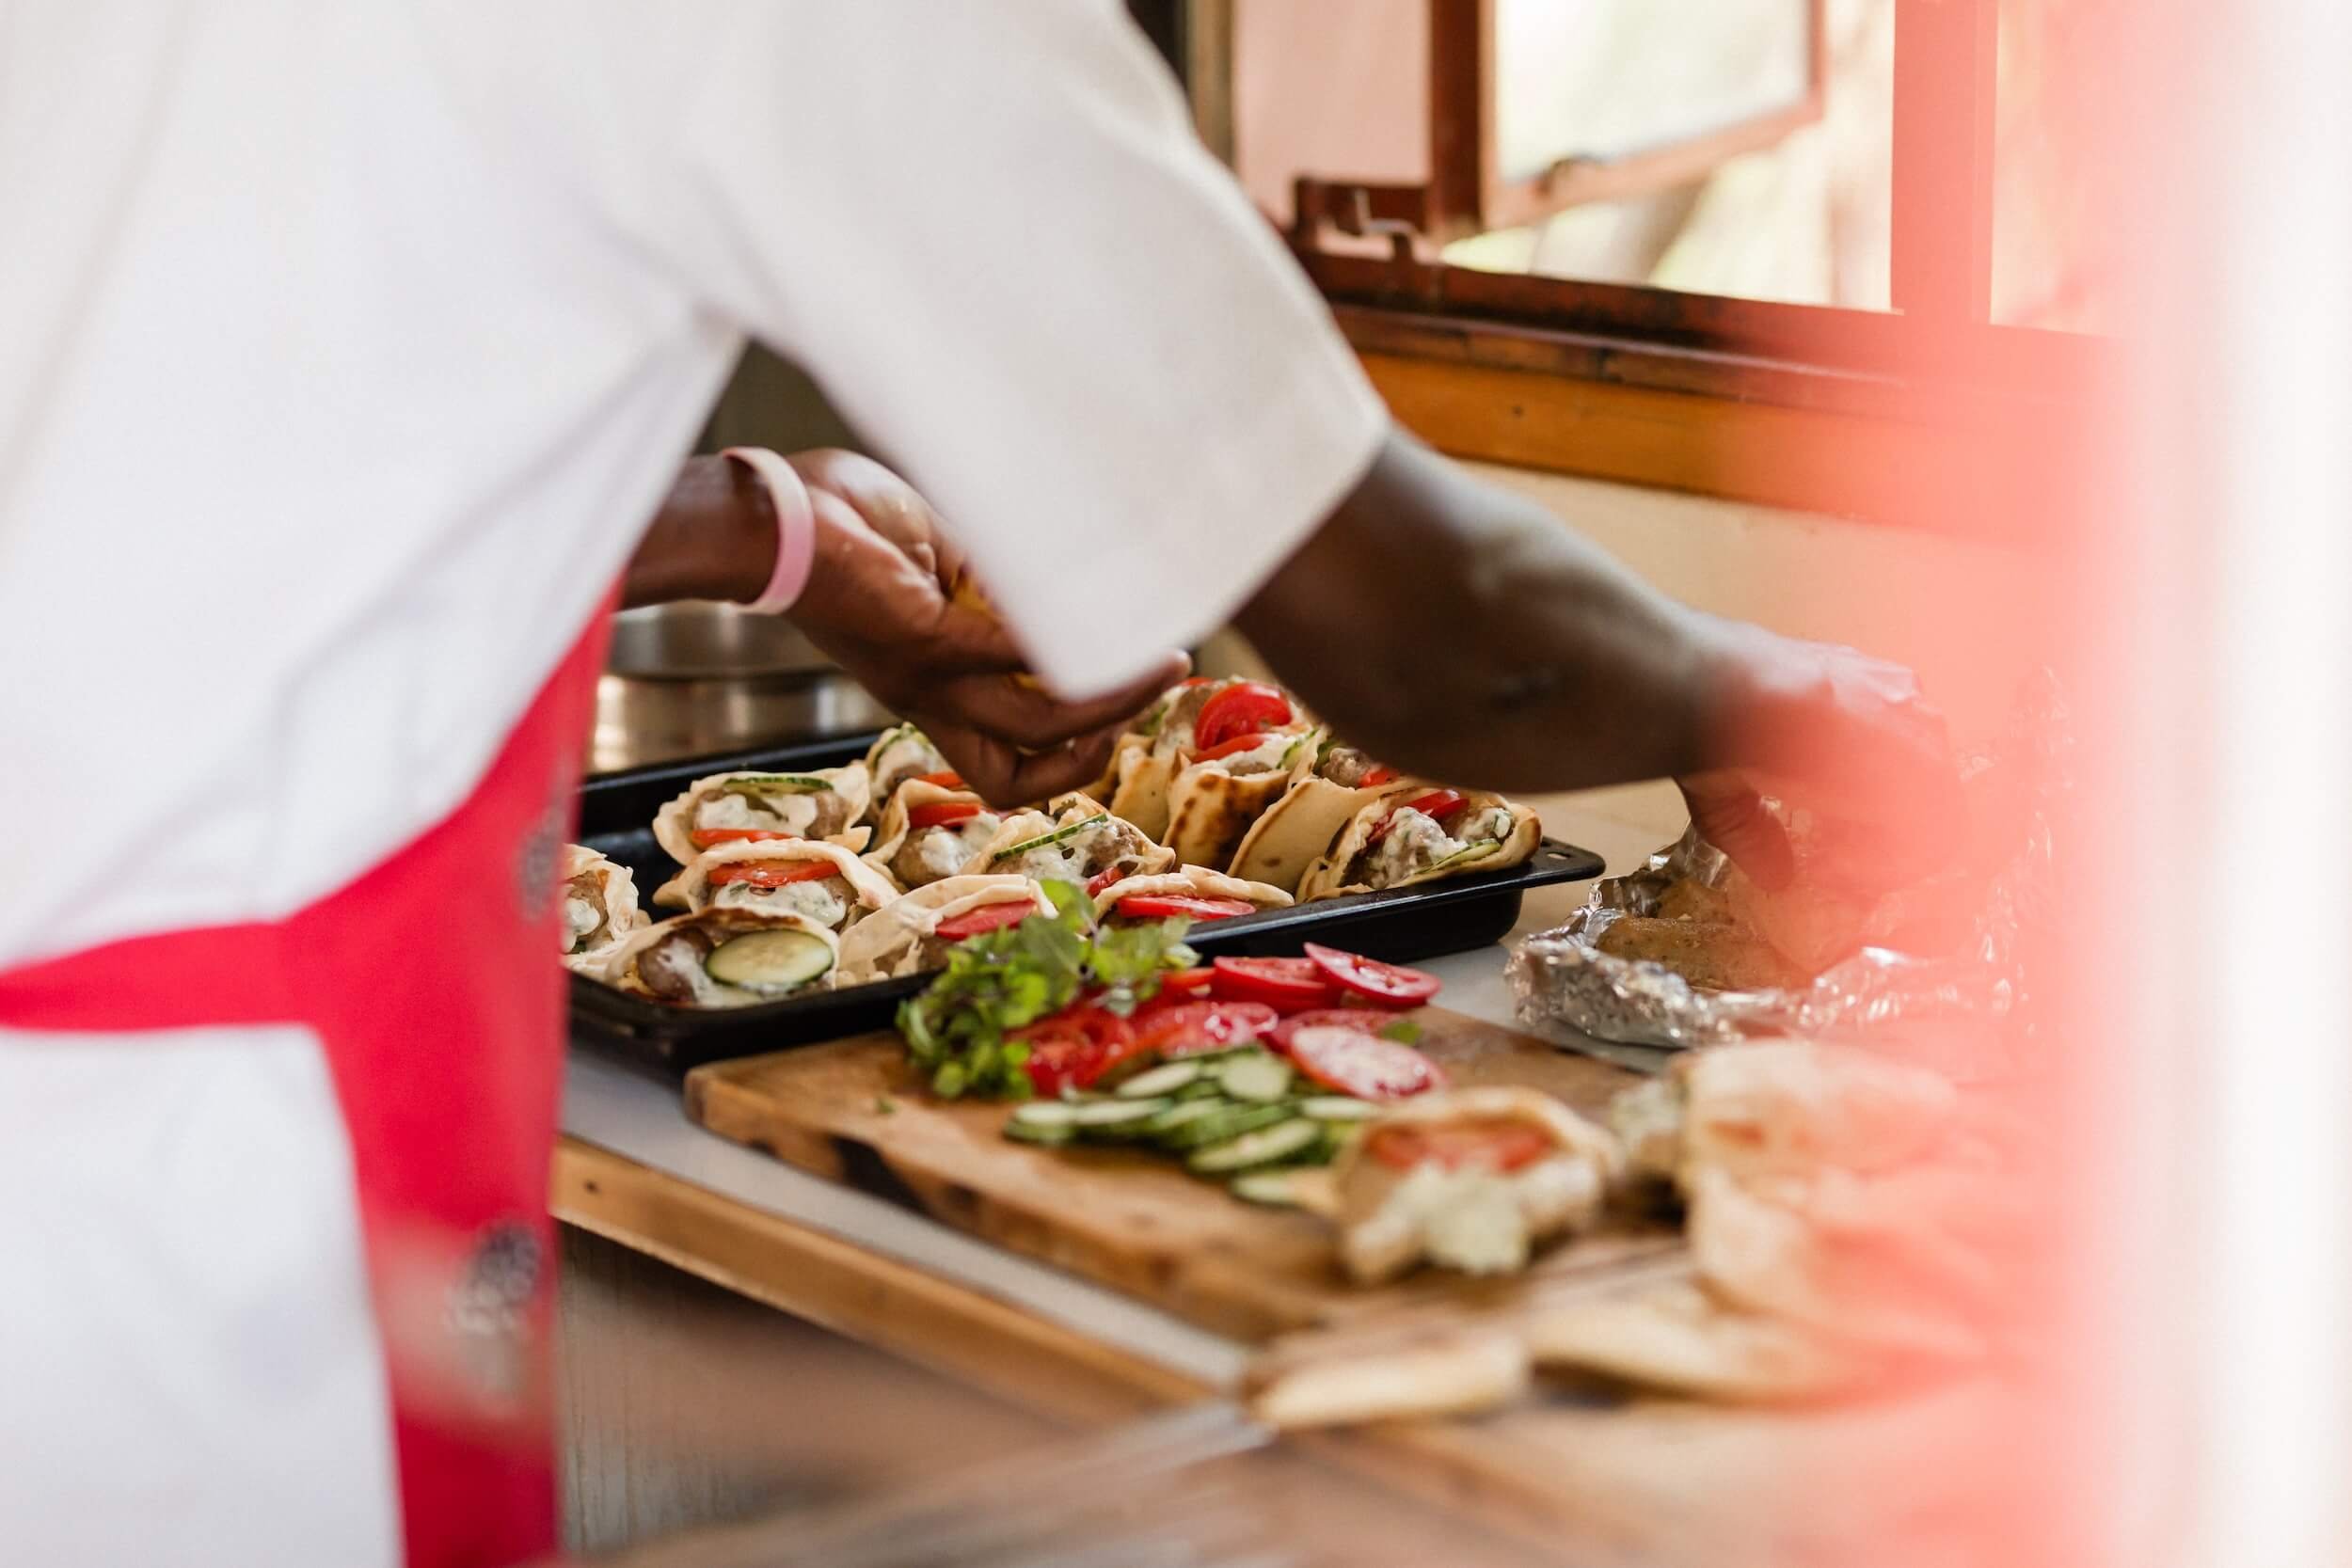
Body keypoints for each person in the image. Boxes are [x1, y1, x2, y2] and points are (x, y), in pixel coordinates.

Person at [0, 4, 1953, 1564]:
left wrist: (771, 533)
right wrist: (1803, 694)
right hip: (157, 1243)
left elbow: (204, 469)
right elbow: (1440, 630)